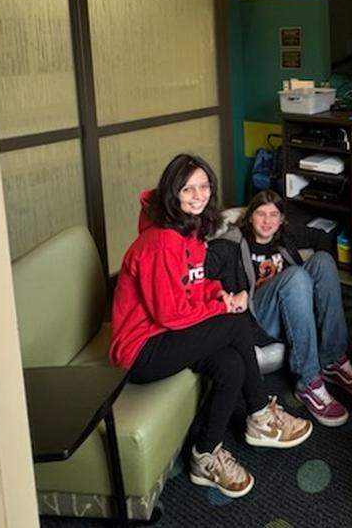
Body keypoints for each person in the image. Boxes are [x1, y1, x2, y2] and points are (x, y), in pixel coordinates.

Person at [110, 154, 312, 499]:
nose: (198, 194)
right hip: (142, 349)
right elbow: (169, 314)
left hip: (170, 336)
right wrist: (222, 306)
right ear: (171, 193)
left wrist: (221, 292)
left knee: (231, 365)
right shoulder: (161, 241)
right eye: (187, 188)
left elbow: (195, 283)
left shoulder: (188, 233)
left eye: (203, 186)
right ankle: (260, 413)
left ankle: (205, 455)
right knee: (234, 325)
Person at [208, 189, 352, 427]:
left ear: (281, 219)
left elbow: (320, 238)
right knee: (295, 275)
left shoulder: (285, 235)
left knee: (323, 261)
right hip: (258, 318)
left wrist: (319, 291)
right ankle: (308, 382)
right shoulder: (232, 243)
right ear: (249, 216)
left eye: (273, 214)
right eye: (260, 214)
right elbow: (202, 272)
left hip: (292, 306)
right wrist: (226, 295)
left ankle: (332, 359)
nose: (267, 221)